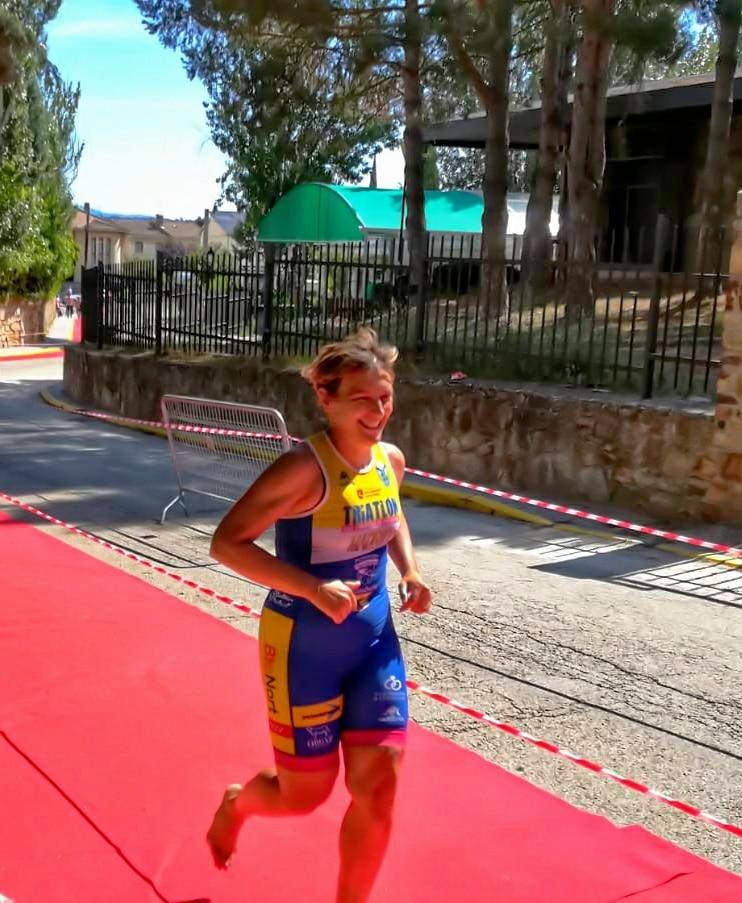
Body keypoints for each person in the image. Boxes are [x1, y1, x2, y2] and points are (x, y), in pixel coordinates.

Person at [207, 327, 432, 902]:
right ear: (326, 399)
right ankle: (238, 804)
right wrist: (310, 588)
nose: (378, 412)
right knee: (304, 795)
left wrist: (408, 571)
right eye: (362, 399)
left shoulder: (391, 461)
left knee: (378, 784)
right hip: (301, 650)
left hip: (374, 644)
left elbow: (393, 516)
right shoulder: (304, 470)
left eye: (385, 397)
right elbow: (227, 543)